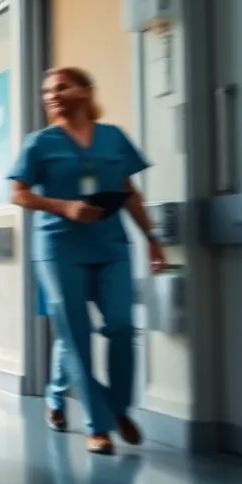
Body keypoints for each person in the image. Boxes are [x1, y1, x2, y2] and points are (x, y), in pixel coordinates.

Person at [10, 66, 166, 455]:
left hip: (111, 244)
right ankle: (99, 425)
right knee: (75, 334)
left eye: (61, 87)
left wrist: (151, 238)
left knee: (121, 326)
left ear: (85, 91)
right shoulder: (39, 142)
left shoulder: (113, 138)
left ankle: (117, 407)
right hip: (58, 245)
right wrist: (63, 206)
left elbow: (129, 192)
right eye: (46, 90)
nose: (52, 95)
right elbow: (19, 193)